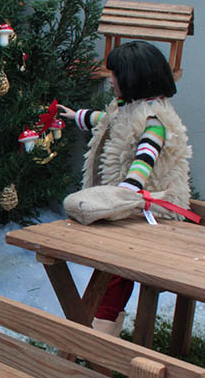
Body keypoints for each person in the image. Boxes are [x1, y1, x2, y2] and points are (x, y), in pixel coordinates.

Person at [57, 40, 192, 335]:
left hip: (147, 210)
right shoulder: (129, 109)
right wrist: (75, 116)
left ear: (133, 77)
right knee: (109, 268)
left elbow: (146, 157)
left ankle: (102, 328)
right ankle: (99, 322)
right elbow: (106, 121)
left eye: (115, 74)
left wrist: (126, 191)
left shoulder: (154, 120)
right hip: (128, 205)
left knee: (116, 269)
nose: (110, 79)